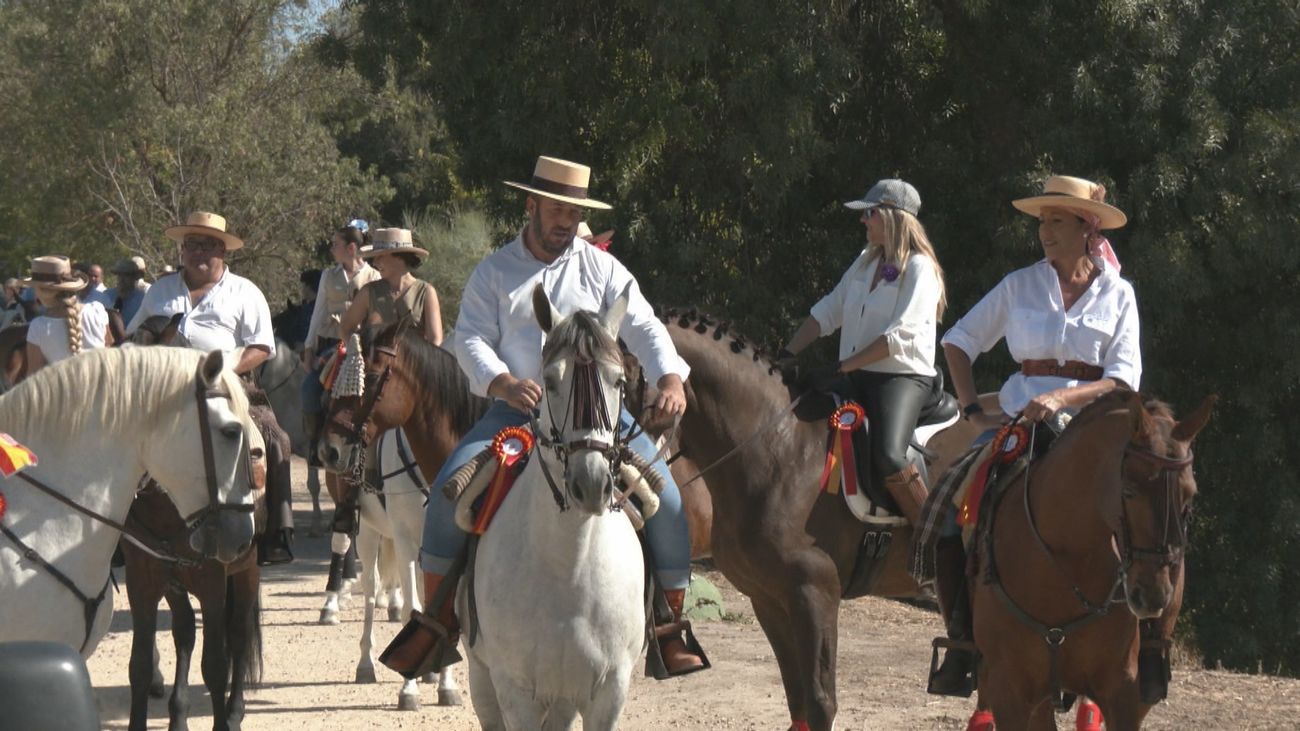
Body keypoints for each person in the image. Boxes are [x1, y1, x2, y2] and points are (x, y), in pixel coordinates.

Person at [381, 155, 706, 678]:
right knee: (446, 493)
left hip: (598, 417)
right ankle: (435, 625)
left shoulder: (602, 268)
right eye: (557, 210)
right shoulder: (494, 271)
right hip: (516, 413)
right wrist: (502, 382)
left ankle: (670, 628)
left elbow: (643, 324)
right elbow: (469, 340)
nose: (566, 224)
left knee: (667, 499)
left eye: (574, 215)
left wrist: (670, 375)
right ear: (530, 205)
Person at [927, 176, 1140, 728]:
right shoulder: (1020, 285)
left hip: (1092, 429)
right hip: (1020, 425)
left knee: (1150, 508)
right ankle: (963, 643)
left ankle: (1151, 646)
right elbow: (957, 340)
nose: (1044, 232)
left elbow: (1124, 379)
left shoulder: (1119, 294)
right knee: (951, 513)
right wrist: (972, 407)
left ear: (1086, 229)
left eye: (1056, 222)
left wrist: (1066, 396)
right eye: (1042, 222)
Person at [125, 211, 295, 564]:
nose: (197, 252)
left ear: (222, 251)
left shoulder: (245, 292)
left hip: (229, 388)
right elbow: (135, 333)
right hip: (167, 391)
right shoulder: (160, 290)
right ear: (182, 250)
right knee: (120, 440)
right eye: (190, 245)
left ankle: (274, 532)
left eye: (206, 245)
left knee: (276, 440)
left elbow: (261, 347)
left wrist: (226, 368)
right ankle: (119, 533)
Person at [781, 179, 946, 525]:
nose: (863, 220)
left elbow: (897, 338)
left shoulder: (920, 270)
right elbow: (828, 311)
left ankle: (931, 533)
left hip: (901, 379)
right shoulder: (863, 264)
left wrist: (842, 368)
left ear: (893, 217)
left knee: (888, 453)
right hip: (855, 373)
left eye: (870, 213)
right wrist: (788, 351)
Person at [300, 221, 381, 461]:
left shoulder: (373, 276)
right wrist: (308, 346)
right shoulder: (328, 275)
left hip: (360, 347)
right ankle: (315, 444)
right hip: (330, 345)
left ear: (351, 248)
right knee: (309, 390)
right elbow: (318, 312)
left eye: (336, 245)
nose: (331, 249)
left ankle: (370, 446)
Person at [337, 227, 443, 348]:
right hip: (374, 366)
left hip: (413, 365)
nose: (375, 263)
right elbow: (345, 328)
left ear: (399, 257)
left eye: (380, 256)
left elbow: (435, 340)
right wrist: (361, 352)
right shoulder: (369, 292)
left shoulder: (426, 292)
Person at [22, 256, 114, 373]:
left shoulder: (38, 327)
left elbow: (34, 378)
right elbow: (109, 348)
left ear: (43, 291)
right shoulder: (97, 310)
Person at [105, 256, 152, 326]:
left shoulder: (142, 299)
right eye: (119, 275)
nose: (122, 279)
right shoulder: (107, 296)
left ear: (134, 277)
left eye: (126, 275)